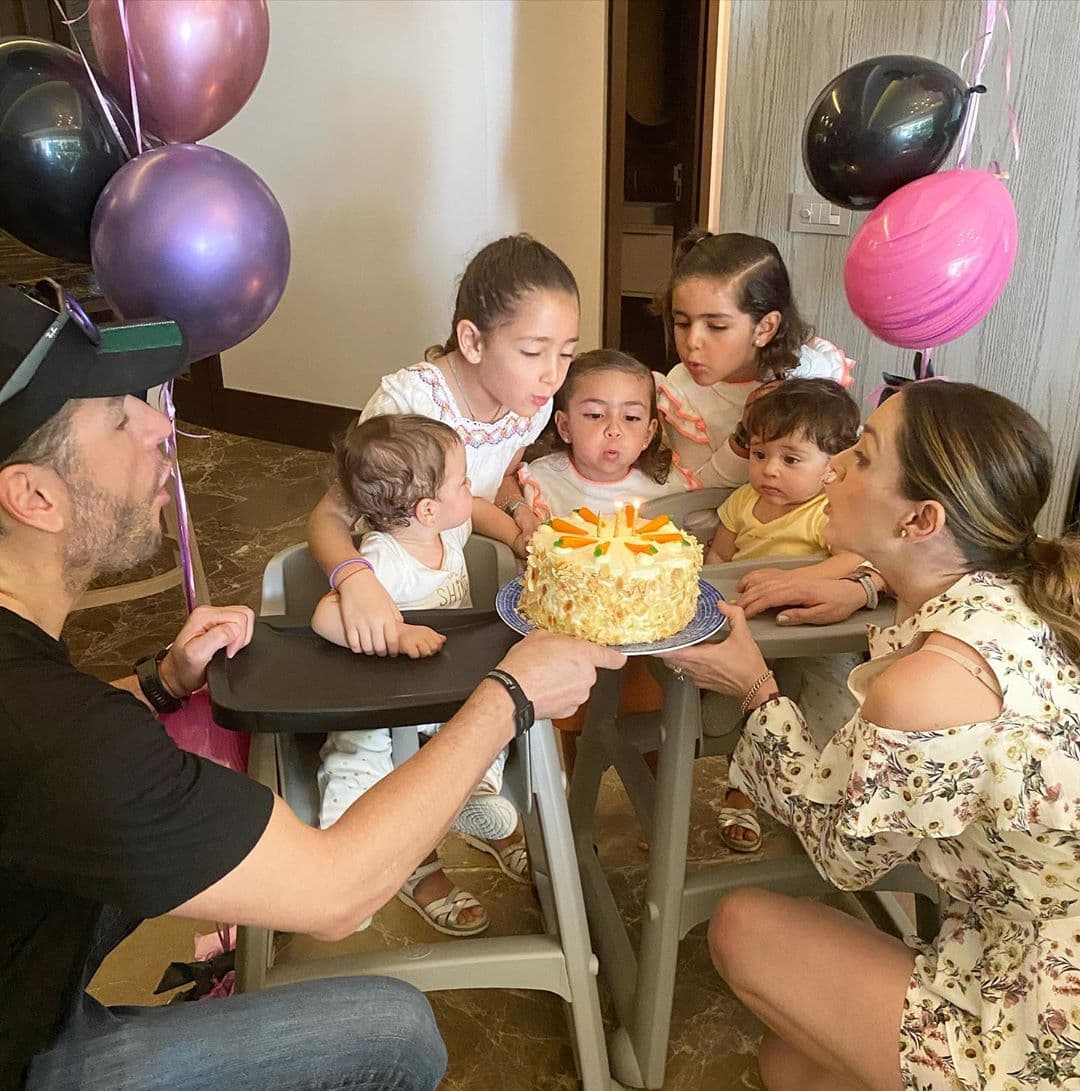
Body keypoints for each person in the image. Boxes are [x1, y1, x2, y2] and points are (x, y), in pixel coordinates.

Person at [0, 284, 625, 1091]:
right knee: (396, 1032)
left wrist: (157, 682)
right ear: (34, 496)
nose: (164, 426)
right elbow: (337, 891)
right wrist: (506, 695)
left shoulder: (42, 697)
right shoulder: (61, 734)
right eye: (121, 417)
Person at [660, 381, 1080, 1091]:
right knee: (789, 1063)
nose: (833, 469)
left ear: (919, 518)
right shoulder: (1018, 590)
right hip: (1004, 938)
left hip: (1045, 1008)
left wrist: (754, 687)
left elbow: (840, 854)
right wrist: (863, 581)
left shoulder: (925, 686)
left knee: (741, 926)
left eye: (860, 456)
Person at [307, 234, 580, 658]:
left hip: (453, 585)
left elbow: (500, 475)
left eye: (565, 354)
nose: (552, 375)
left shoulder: (530, 405)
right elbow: (329, 516)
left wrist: (518, 515)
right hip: (390, 604)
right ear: (472, 342)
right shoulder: (409, 405)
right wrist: (356, 581)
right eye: (532, 352)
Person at [312, 413, 528, 937]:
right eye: (461, 479)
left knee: (492, 719)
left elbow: (478, 511)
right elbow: (323, 616)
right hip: (385, 702)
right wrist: (397, 634)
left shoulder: (446, 530)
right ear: (427, 508)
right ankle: (346, 868)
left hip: (445, 693)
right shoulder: (384, 558)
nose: (471, 488)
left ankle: (472, 796)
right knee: (360, 757)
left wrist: (521, 536)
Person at [704, 377, 865, 853]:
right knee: (732, 715)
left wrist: (812, 582)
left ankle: (823, 799)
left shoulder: (826, 514)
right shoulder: (741, 504)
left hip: (811, 637)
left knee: (832, 709)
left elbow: (853, 559)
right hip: (747, 638)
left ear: (834, 468)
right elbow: (718, 564)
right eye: (759, 455)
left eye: (790, 459)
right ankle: (744, 791)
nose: (769, 470)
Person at [653, 230, 855, 495]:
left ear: (765, 328)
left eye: (716, 326)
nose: (692, 341)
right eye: (682, 323)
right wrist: (744, 434)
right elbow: (698, 492)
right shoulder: (681, 392)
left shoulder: (813, 375)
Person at [516, 348, 696, 519]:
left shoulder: (668, 485)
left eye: (631, 417)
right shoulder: (540, 483)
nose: (614, 431)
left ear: (648, 434)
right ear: (565, 426)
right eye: (595, 415)